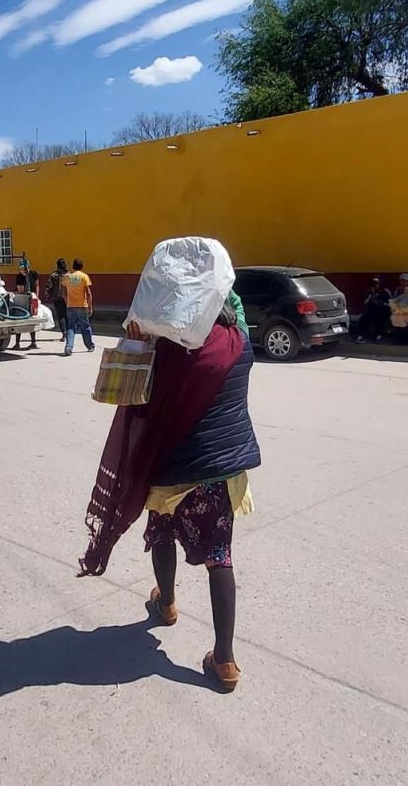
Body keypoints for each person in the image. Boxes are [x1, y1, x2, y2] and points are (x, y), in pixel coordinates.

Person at [78, 297, 259, 693]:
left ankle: (166, 604)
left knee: (162, 532)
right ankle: (225, 661)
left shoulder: (167, 354)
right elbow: (237, 310)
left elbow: (124, 394)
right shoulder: (240, 344)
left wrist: (137, 346)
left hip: (174, 470)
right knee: (220, 557)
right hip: (223, 471)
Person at [63, 258, 95, 356]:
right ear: (82, 266)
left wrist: (67, 302)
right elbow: (88, 293)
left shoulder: (67, 277)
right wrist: (90, 306)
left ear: (73, 266)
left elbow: (64, 292)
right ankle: (89, 345)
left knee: (71, 327)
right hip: (82, 305)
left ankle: (69, 347)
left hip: (70, 306)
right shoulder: (84, 276)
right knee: (85, 326)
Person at [356, 277, 391, 343]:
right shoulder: (369, 292)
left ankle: (379, 335)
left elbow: (389, 303)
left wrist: (380, 302)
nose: (375, 286)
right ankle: (361, 336)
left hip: (383, 311)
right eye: (374, 284)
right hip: (372, 310)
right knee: (364, 318)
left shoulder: (385, 291)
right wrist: (371, 295)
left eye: (377, 284)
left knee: (379, 318)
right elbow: (365, 302)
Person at [12, 268, 39, 350]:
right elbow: (21, 290)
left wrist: (36, 297)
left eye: (25, 269)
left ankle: (22, 343)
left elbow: (36, 285)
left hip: (26, 299)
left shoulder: (29, 274)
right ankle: (24, 343)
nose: (24, 271)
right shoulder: (22, 276)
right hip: (27, 298)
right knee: (26, 321)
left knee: (24, 320)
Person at [47, 258, 69, 342]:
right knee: (67, 315)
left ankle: (64, 333)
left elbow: (49, 286)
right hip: (68, 298)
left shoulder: (53, 275)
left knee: (61, 316)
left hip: (57, 298)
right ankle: (69, 332)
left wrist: (48, 294)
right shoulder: (69, 275)